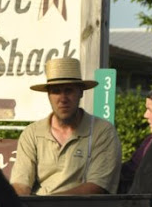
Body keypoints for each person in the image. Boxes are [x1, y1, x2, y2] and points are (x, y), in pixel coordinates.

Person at [10, 57, 122, 196]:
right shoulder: (32, 133)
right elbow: (21, 183)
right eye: (56, 91)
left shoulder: (103, 131)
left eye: (69, 90)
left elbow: (97, 186)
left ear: (80, 92)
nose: (63, 98)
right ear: (49, 95)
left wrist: (47, 204)